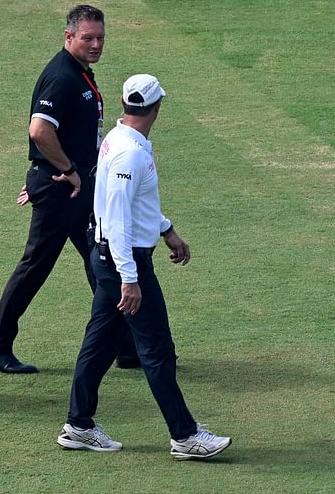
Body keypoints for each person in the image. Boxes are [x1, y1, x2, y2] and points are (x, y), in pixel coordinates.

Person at [56, 74, 231, 460]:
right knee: (156, 349)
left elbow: (136, 205)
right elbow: (118, 219)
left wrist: (166, 229)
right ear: (157, 107)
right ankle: (185, 436)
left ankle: (78, 425)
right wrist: (130, 279)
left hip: (111, 257)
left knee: (99, 344)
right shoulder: (130, 153)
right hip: (124, 262)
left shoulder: (118, 139)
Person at [0, 4, 138, 374]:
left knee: (103, 262)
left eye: (100, 37)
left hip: (74, 186)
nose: (96, 44)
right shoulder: (62, 77)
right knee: (39, 266)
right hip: (62, 186)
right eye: (88, 38)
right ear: (69, 37)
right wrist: (62, 169)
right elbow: (39, 131)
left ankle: (128, 346)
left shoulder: (79, 73)